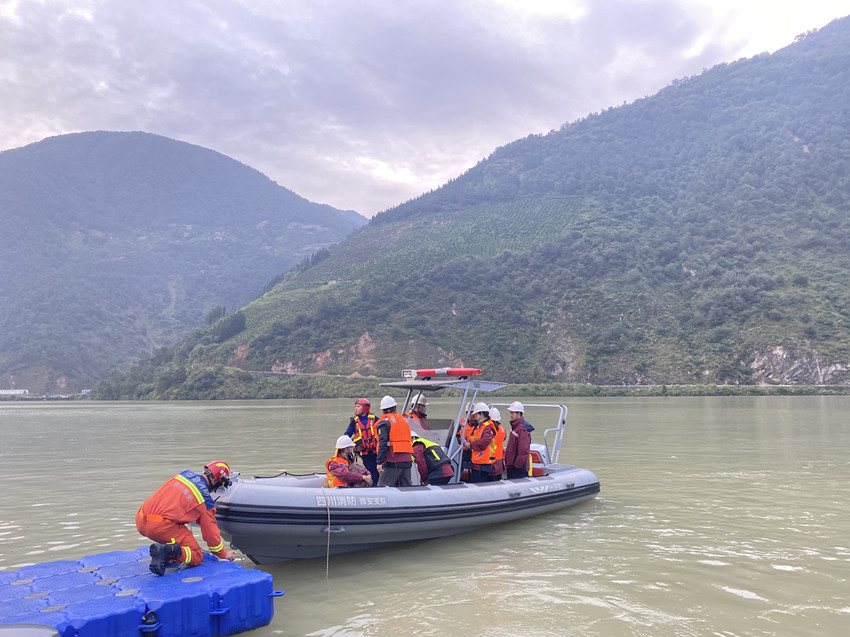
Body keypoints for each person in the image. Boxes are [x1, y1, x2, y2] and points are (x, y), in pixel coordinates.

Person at [136, 461, 236, 576]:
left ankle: (167, 554)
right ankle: (168, 550)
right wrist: (223, 554)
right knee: (197, 556)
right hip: (159, 526)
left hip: (141, 517)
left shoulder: (184, 474)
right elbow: (210, 533)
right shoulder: (205, 500)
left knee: (176, 527)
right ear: (215, 481)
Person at [375, 395, 413, 487]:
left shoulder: (384, 422)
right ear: (395, 408)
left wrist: (379, 462)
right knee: (406, 489)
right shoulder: (403, 420)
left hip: (392, 461)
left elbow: (383, 443)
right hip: (407, 461)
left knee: (383, 489)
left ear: (382, 410)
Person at [343, 398, 379, 485]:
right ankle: (374, 488)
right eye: (355, 406)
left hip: (376, 453)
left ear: (365, 408)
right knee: (371, 473)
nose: (356, 408)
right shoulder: (354, 422)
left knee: (377, 473)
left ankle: (377, 487)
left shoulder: (374, 419)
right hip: (365, 454)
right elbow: (346, 435)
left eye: (358, 406)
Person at [465, 402, 496, 483]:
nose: (474, 417)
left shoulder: (487, 427)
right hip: (477, 463)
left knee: (480, 484)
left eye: (476, 415)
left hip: (483, 464)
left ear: (482, 415)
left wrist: (470, 446)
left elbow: (484, 442)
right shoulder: (479, 426)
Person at [505, 401, 535, 479]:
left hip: (518, 468)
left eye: (513, 413)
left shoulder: (522, 429)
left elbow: (523, 450)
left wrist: (517, 465)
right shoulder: (515, 426)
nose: (511, 415)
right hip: (512, 465)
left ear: (519, 413)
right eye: (510, 413)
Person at [488, 407, 507, 481]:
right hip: (499, 463)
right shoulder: (503, 430)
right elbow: (504, 438)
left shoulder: (488, 430)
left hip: (490, 463)